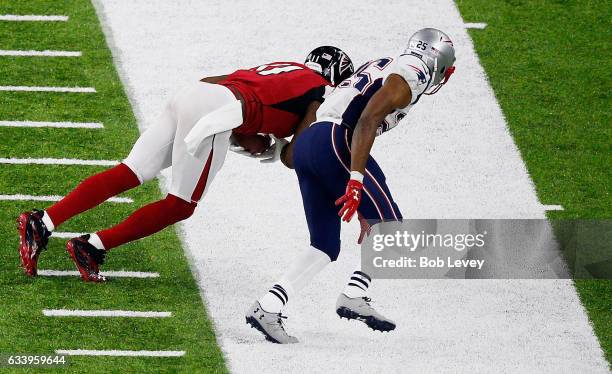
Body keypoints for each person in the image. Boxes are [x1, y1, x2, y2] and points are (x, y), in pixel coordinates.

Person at [16, 46, 354, 282]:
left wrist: (245, 133)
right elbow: (300, 154)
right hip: (215, 110)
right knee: (180, 204)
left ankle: (43, 221)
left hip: (194, 94)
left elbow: (226, 88)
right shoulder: (321, 91)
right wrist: (276, 148)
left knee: (130, 171)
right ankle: (92, 246)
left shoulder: (284, 69)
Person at [245, 28, 456, 344]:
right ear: (441, 65)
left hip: (309, 146)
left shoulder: (385, 63)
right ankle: (355, 293)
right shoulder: (414, 72)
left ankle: (268, 306)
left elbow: (304, 145)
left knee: (324, 245)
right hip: (336, 141)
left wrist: (291, 152)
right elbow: (367, 120)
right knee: (391, 228)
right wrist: (355, 179)